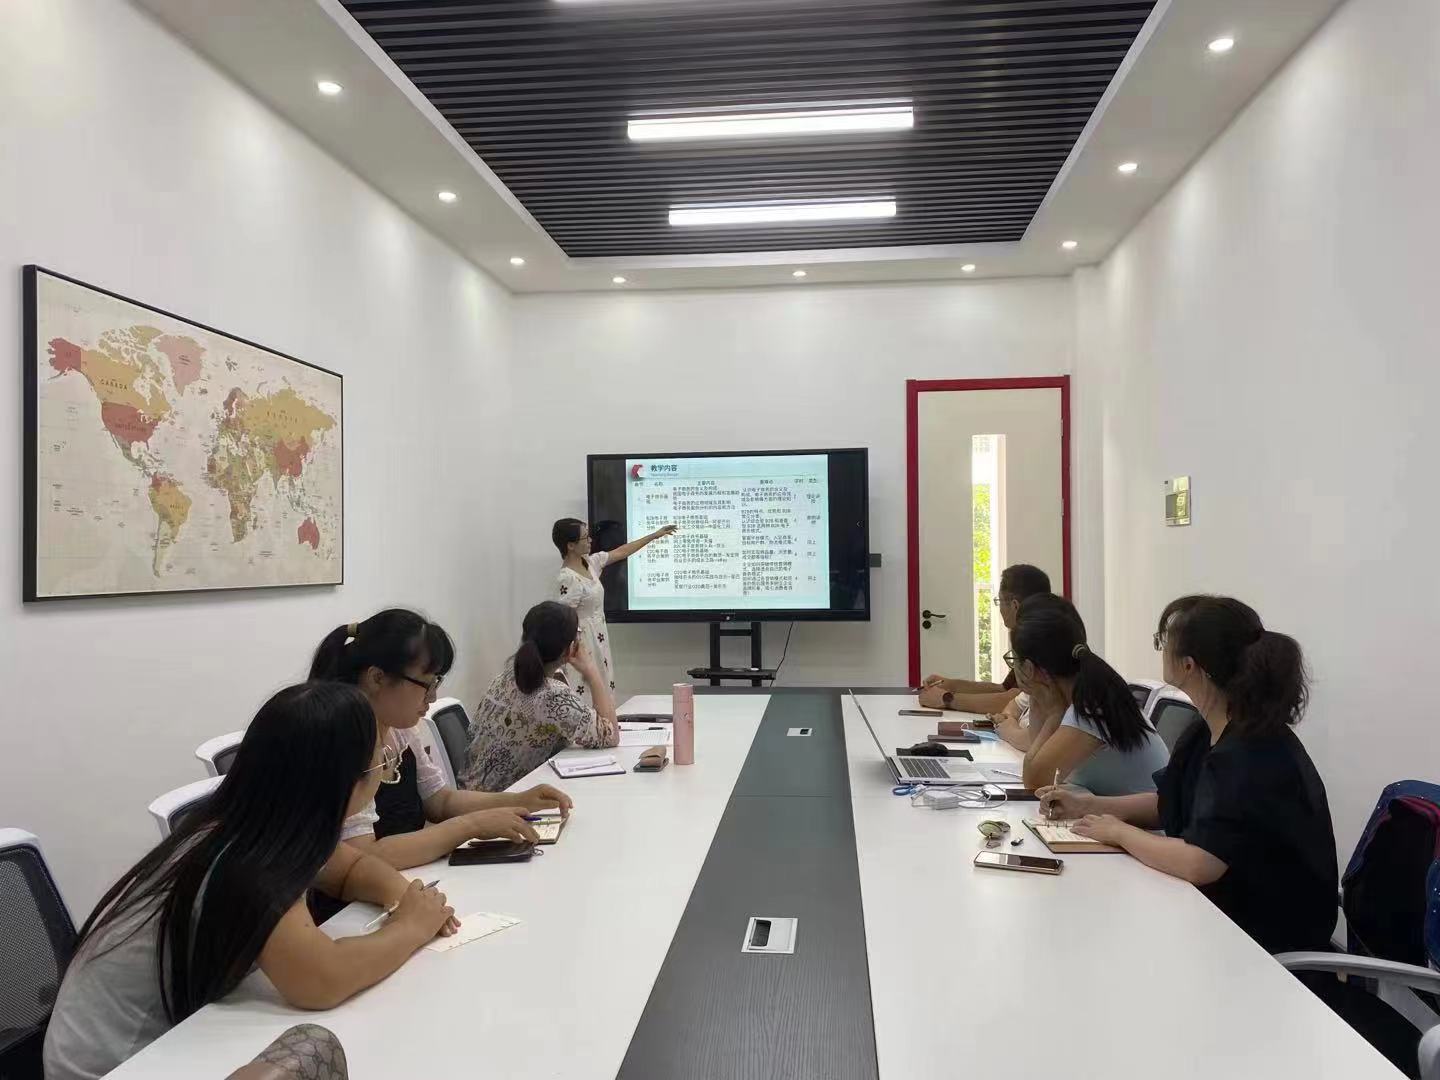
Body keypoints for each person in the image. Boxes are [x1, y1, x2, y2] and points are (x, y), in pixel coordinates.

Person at [44, 683, 456, 1080]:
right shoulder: (248, 860)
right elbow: (321, 980)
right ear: (344, 781)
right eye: (380, 760)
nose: (385, 767)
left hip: (172, 1040)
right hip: (121, 1065)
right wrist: (411, 927)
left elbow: (351, 870)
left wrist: (403, 897)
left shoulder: (266, 821)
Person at [1039, 595, 1338, 955]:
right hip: (1214, 913)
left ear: (1189, 665)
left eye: (1162, 642)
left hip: (1262, 942)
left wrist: (1119, 832)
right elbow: (1169, 802)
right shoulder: (1207, 729)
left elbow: (1200, 862)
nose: (1160, 649)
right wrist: (1088, 805)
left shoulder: (1250, 751)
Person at [310, 609, 574, 871]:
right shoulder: (342, 741)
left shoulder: (398, 730)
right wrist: (471, 825)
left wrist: (520, 800)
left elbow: (440, 800)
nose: (433, 697)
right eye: (426, 684)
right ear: (377, 678)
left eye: (436, 682)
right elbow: (363, 856)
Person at [1006, 594, 1169, 793]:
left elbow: (1035, 781)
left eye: (1014, 660)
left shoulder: (1091, 709)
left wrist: (1054, 713)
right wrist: (1037, 697)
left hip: (1148, 814)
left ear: (1029, 668)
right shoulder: (1090, 692)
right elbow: (1037, 753)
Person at [462, 601, 620, 793]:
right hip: (501, 801)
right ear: (570, 648)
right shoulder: (553, 696)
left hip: (472, 795)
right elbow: (611, 736)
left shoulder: (505, 677)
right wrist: (592, 671)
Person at [550, 517, 676, 704]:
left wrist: (654, 536)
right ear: (570, 545)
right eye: (585, 537)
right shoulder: (567, 578)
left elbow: (621, 552)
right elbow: (562, 620)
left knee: (603, 685)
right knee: (584, 690)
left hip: (598, 638)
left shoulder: (590, 564)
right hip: (582, 643)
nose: (590, 540)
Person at [918, 563, 1051, 714]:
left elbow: (1013, 700)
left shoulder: (1041, 640)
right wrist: (950, 685)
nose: (1000, 609)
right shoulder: (1035, 632)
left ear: (1015, 606)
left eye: (1000, 601)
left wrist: (946, 699)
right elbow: (1004, 689)